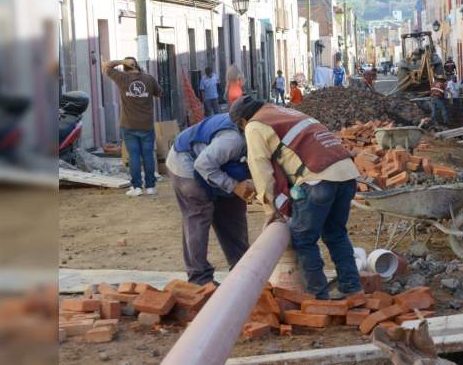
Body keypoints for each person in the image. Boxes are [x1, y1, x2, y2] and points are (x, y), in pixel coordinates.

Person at [232, 97, 362, 300]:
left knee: (303, 238)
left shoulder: (254, 125)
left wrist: (270, 209)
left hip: (318, 178)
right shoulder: (285, 112)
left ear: (242, 121)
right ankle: (351, 286)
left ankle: (318, 298)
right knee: (335, 233)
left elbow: (260, 169)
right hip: (346, 173)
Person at [166, 112, 256, 285]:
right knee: (198, 214)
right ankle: (199, 278)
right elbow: (202, 164)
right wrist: (234, 186)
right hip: (187, 162)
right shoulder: (233, 140)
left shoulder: (262, 136)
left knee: (233, 212)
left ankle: (241, 270)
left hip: (217, 165)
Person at [102, 57, 162, 196]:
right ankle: (151, 187)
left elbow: (106, 67)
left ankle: (136, 187)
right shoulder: (149, 79)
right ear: (137, 65)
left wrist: (121, 61)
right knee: (147, 155)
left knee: (134, 156)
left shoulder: (121, 78)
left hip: (128, 125)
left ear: (125, 67)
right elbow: (160, 93)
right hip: (146, 125)